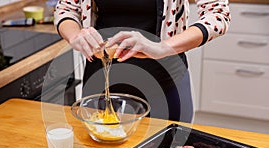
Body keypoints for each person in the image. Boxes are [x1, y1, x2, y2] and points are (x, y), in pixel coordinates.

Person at [54, 0, 230, 122]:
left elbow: (218, 14)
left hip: (165, 83)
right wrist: (75, 35)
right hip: (101, 84)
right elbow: (66, 8)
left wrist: (162, 47)